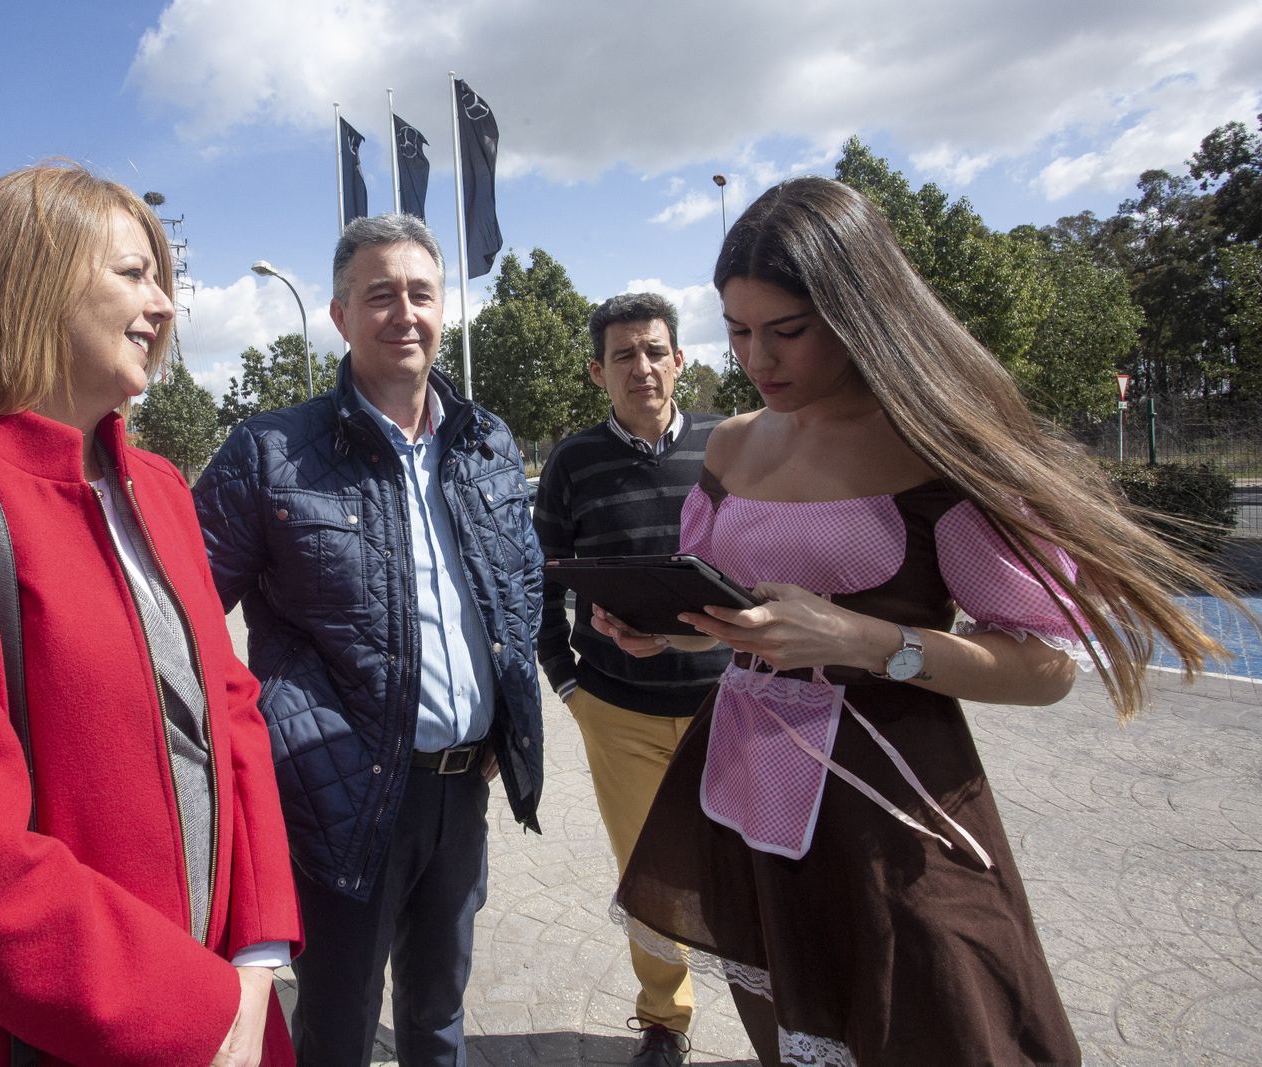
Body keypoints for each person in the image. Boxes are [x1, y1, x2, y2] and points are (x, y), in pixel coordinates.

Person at [594, 176, 1237, 1067]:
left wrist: (866, 641)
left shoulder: (940, 452)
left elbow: (1045, 665)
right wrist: (675, 629)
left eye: (786, 331)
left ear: (862, 313)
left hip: (897, 814)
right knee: (793, 1034)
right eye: (739, 332)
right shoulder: (735, 445)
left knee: (949, 1024)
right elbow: (745, 621)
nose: (758, 359)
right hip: (750, 797)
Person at [0, 163, 301, 1067]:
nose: (164, 303)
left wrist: (259, 957)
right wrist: (194, 1014)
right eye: (132, 273)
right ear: (27, 280)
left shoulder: (156, 487)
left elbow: (230, 710)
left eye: (164, 279)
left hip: (229, 1004)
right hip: (45, 1035)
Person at [194, 213, 544, 1067]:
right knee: (340, 1029)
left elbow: (520, 582)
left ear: (443, 308)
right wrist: (265, 742)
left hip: (461, 793)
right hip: (338, 798)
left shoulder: (487, 440)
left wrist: (508, 712)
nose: (404, 312)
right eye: (378, 295)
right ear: (340, 315)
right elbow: (189, 621)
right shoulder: (271, 452)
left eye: (420, 293)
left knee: (438, 1016)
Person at [534, 292, 730, 1066]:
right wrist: (567, 682)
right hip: (618, 711)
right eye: (624, 355)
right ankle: (664, 1019)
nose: (642, 367)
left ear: (681, 359)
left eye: (655, 350)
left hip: (732, 705)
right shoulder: (573, 462)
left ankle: (790, 1012)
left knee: (762, 862)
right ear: (597, 372)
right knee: (649, 870)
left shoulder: (730, 449)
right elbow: (542, 576)